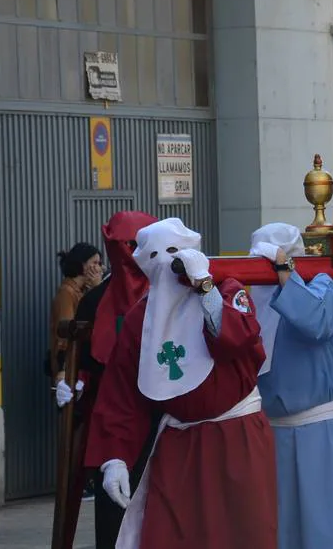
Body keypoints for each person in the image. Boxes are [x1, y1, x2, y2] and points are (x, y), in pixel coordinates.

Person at [85, 217, 277, 549]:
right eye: (156, 255)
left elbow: (237, 341)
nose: (166, 263)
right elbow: (121, 395)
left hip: (236, 439)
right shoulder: (139, 321)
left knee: (242, 536)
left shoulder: (228, 291)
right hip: (179, 445)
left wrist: (205, 287)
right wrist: (114, 458)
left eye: (174, 252)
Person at [248, 223, 333, 549]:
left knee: (326, 527)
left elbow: (314, 322)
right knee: (280, 528)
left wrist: (285, 273)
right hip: (272, 431)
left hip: (318, 427)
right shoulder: (249, 297)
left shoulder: (322, 284)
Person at [58, 211, 158, 549]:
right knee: (114, 515)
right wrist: (70, 381)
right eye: (123, 245)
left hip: (162, 417)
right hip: (112, 418)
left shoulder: (169, 294)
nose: (129, 253)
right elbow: (78, 358)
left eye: (135, 244)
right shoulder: (95, 301)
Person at [51, 241, 104, 387]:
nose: (100, 268)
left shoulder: (80, 292)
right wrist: (63, 369)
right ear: (83, 264)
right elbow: (66, 331)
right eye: (96, 263)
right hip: (71, 366)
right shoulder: (67, 293)